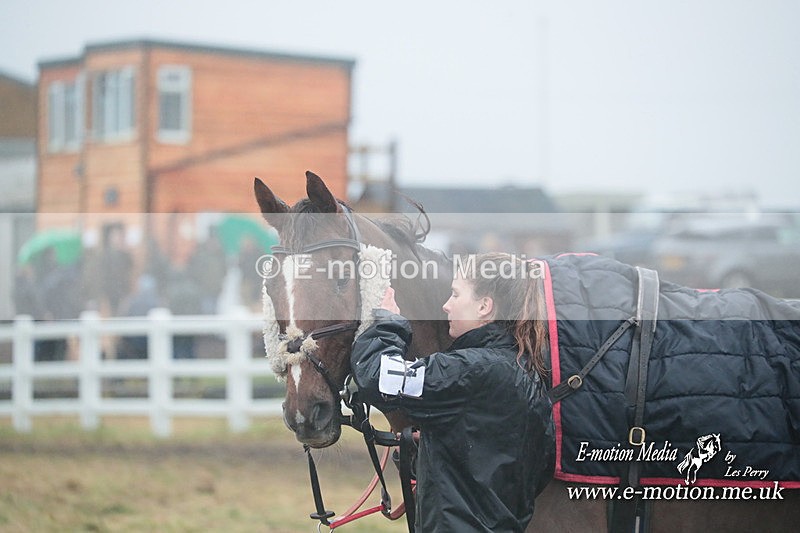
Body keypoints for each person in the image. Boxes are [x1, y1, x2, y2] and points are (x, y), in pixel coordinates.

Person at [350, 252, 555, 532]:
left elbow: (378, 377)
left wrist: (388, 323)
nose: (446, 306)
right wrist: (436, 451)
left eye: (456, 295)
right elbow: (518, 469)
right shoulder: (526, 373)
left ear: (484, 306)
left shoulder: (469, 369)